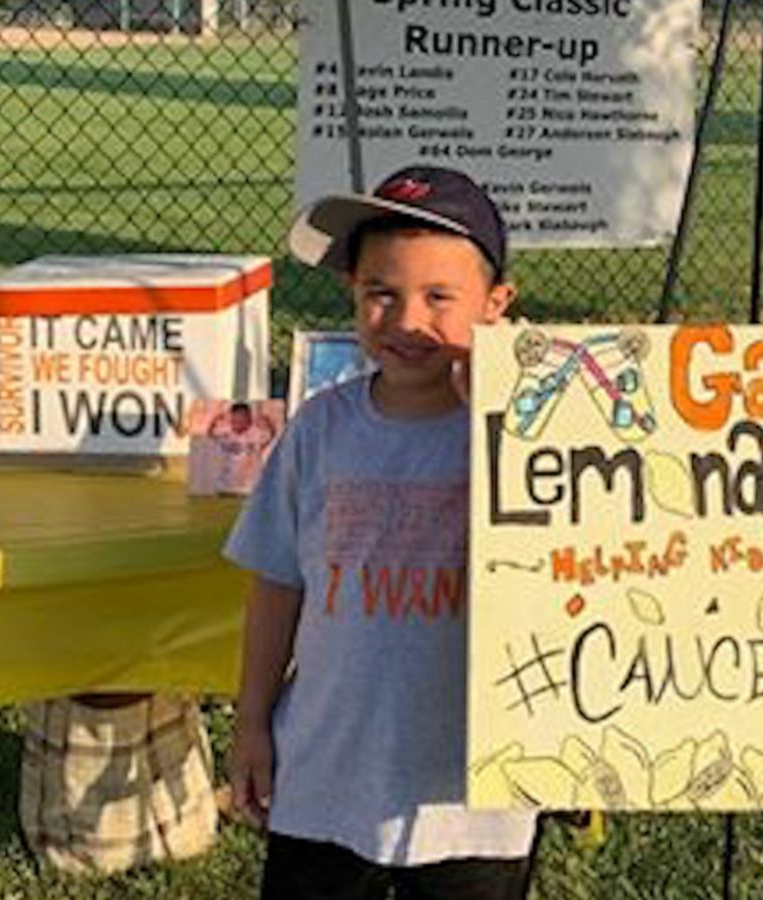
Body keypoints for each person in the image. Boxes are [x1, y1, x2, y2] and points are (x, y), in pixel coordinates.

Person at [222, 165, 534, 900]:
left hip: (474, 797)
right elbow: (276, 583)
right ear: (352, 296)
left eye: (439, 297)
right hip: (325, 774)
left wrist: (512, 414)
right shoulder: (321, 429)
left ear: (497, 305)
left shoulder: (531, 441)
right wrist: (252, 723)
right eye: (380, 294)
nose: (405, 321)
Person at [205, 401, 278, 495]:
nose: (239, 425)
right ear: (230, 421)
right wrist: (214, 421)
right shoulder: (226, 435)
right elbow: (211, 435)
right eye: (235, 422)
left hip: (249, 485)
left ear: (250, 421)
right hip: (226, 484)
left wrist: (268, 422)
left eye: (243, 421)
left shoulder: (255, 435)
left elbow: (271, 437)